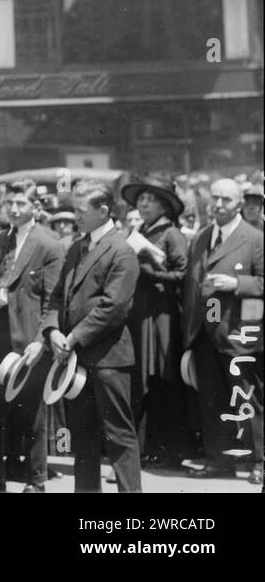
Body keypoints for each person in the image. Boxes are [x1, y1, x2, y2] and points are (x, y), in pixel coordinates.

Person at [41, 181, 141, 492]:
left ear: (104, 211)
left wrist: (72, 338)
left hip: (108, 360)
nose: (75, 217)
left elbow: (114, 307)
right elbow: (57, 296)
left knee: (118, 436)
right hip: (76, 358)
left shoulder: (121, 251)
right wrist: (53, 330)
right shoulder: (75, 247)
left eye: (81, 211)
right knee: (82, 437)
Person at [0, 180, 64, 492]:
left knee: (34, 415)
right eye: (10, 203)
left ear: (35, 207)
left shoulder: (49, 245)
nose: (14, 209)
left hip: (30, 341)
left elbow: (54, 300)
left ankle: (36, 481)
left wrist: (41, 340)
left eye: (21, 204)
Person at [182, 179, 263, 485]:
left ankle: (260, 462)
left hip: (240, 334)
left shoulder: (254, 239)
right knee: (212, 399)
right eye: (214, 199)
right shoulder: (202, 237)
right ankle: (219, 460)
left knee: (249, 399)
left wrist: (238, 284)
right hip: (205, 333)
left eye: (225, 200)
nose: (218, 205)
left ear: (239, 203)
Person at [118, 173, 190, 468]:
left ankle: (168, 449)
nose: (144, 204)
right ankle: (147, 448)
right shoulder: (141, 232)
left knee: (160, 378)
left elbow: (183, 275)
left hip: (160, 315)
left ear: (164, 206)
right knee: (141, 381)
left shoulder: (171, 234)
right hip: (141, 314)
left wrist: (150, 273)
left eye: (151, 199)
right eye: (142, 199)